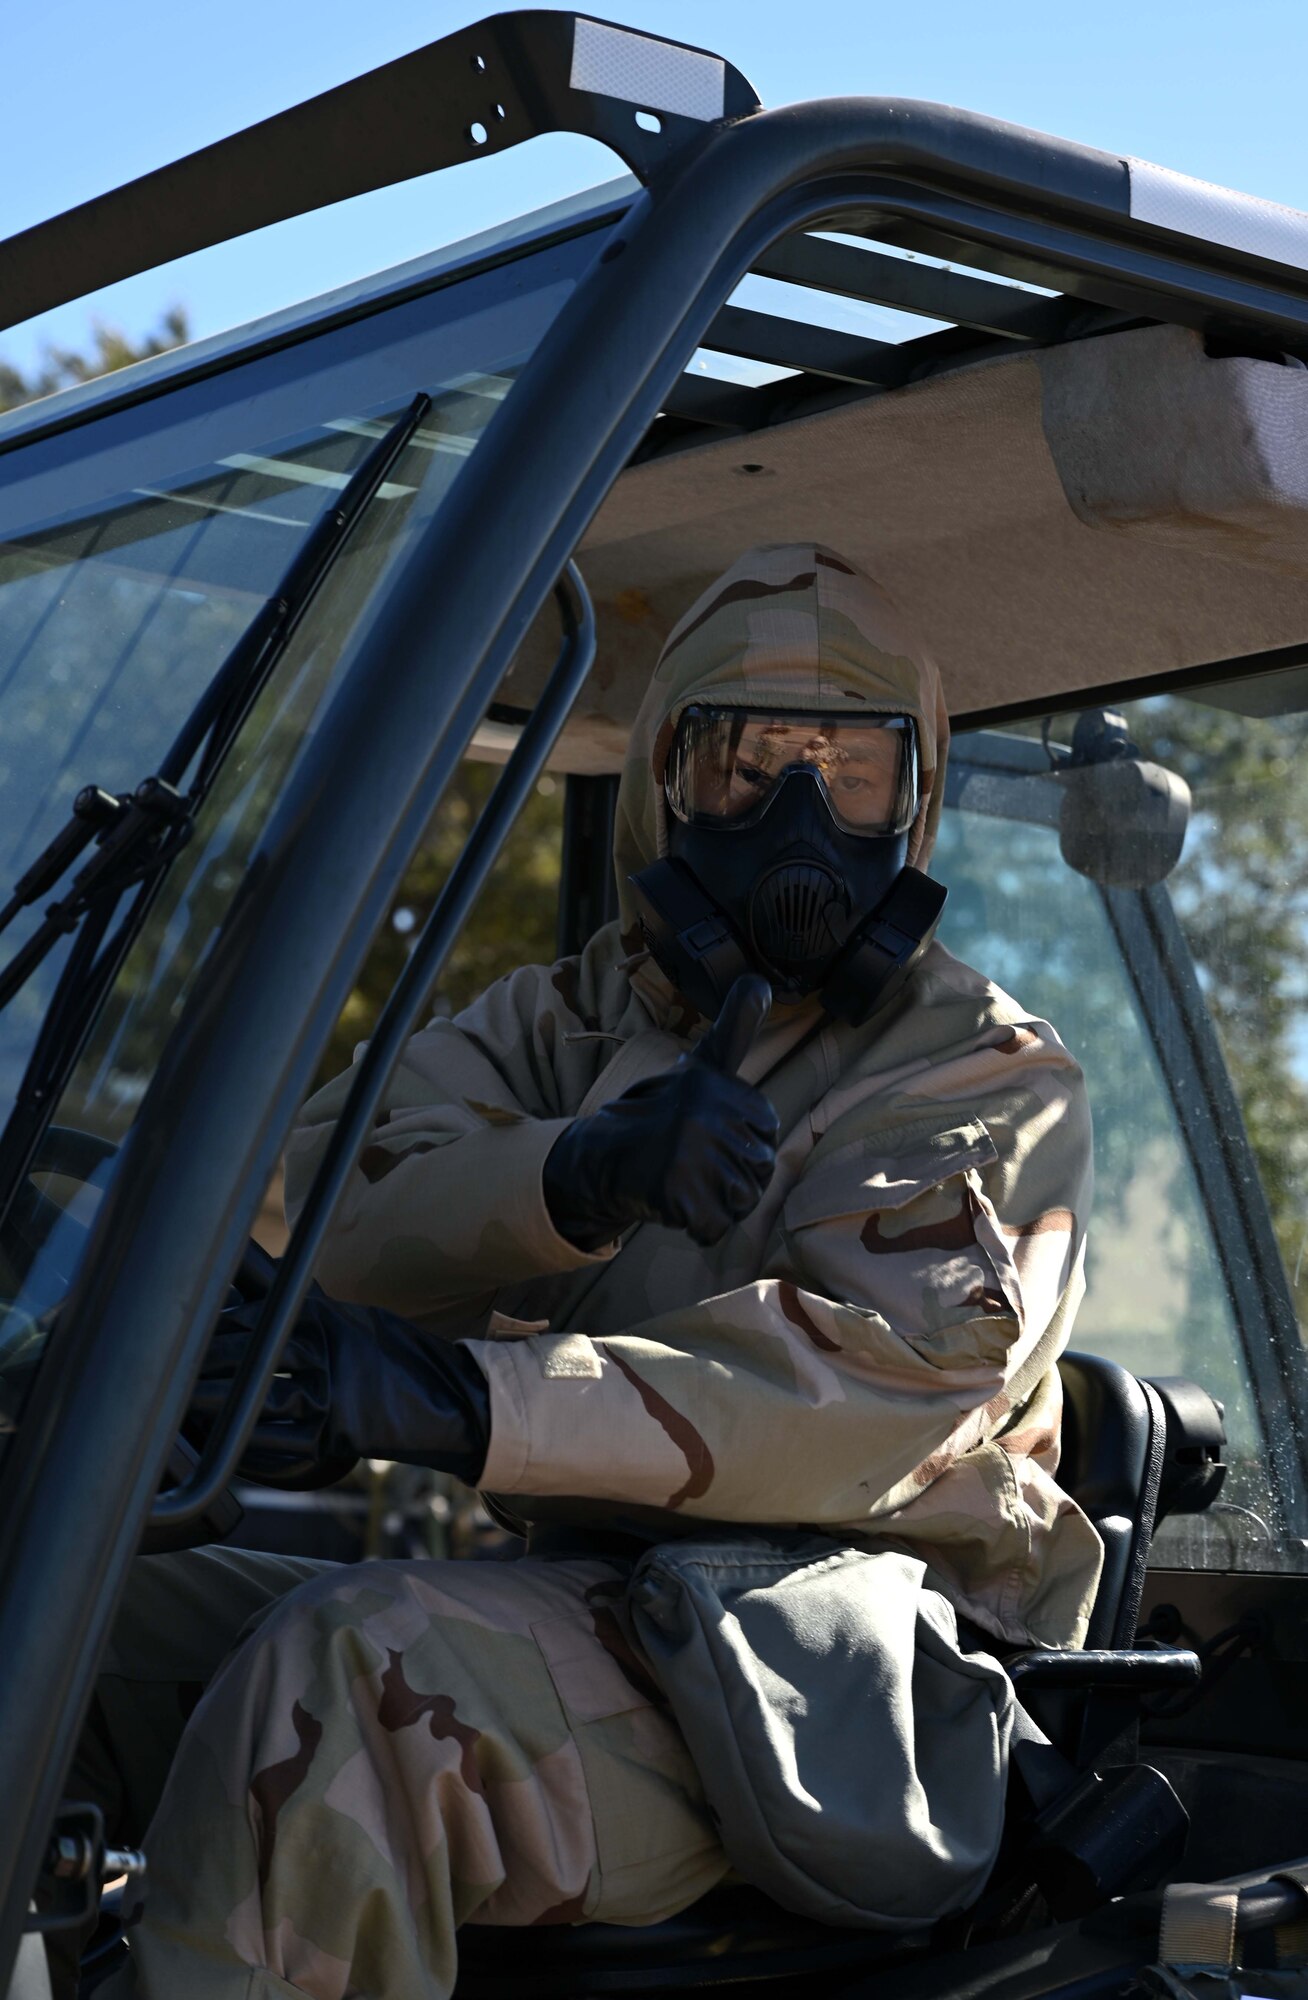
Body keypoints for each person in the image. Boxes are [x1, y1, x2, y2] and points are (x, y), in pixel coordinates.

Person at [84, 543, 1097, 1999]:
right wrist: (569, 1178)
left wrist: (465, 1400)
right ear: (668, 782)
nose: (802, 813)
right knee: (71, 1595)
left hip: (838, 1670)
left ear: (915, 798)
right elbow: (297, 1210)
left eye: (850, 769)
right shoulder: (563, 1021)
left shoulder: (987, 1076)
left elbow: (859, 1394)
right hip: (597, 1604)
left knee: (359, 1674)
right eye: (751, 760)